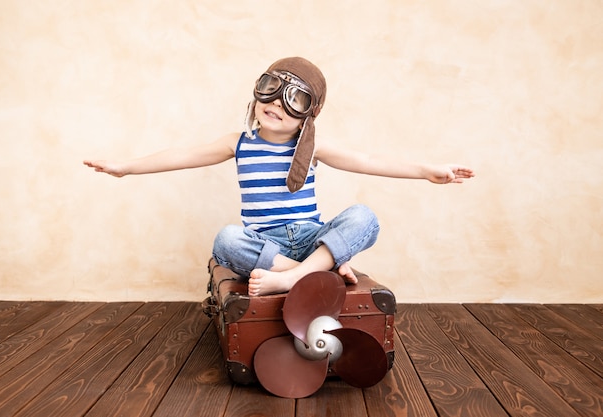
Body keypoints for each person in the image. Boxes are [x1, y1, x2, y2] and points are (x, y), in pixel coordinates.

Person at [84, 57, 475, 296]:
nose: (277, 105)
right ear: (258, 92)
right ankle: (317, 272)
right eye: (271, 90)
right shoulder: (238, 143)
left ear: (309, 113)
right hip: (264, 246)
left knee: (364, 216)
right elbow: (183, 155)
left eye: (295, 100)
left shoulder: (315, 147)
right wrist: (126, 167)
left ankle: (299, 274)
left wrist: (427, 171)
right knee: (226, 240)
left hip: (310, 237)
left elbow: (369, 159)